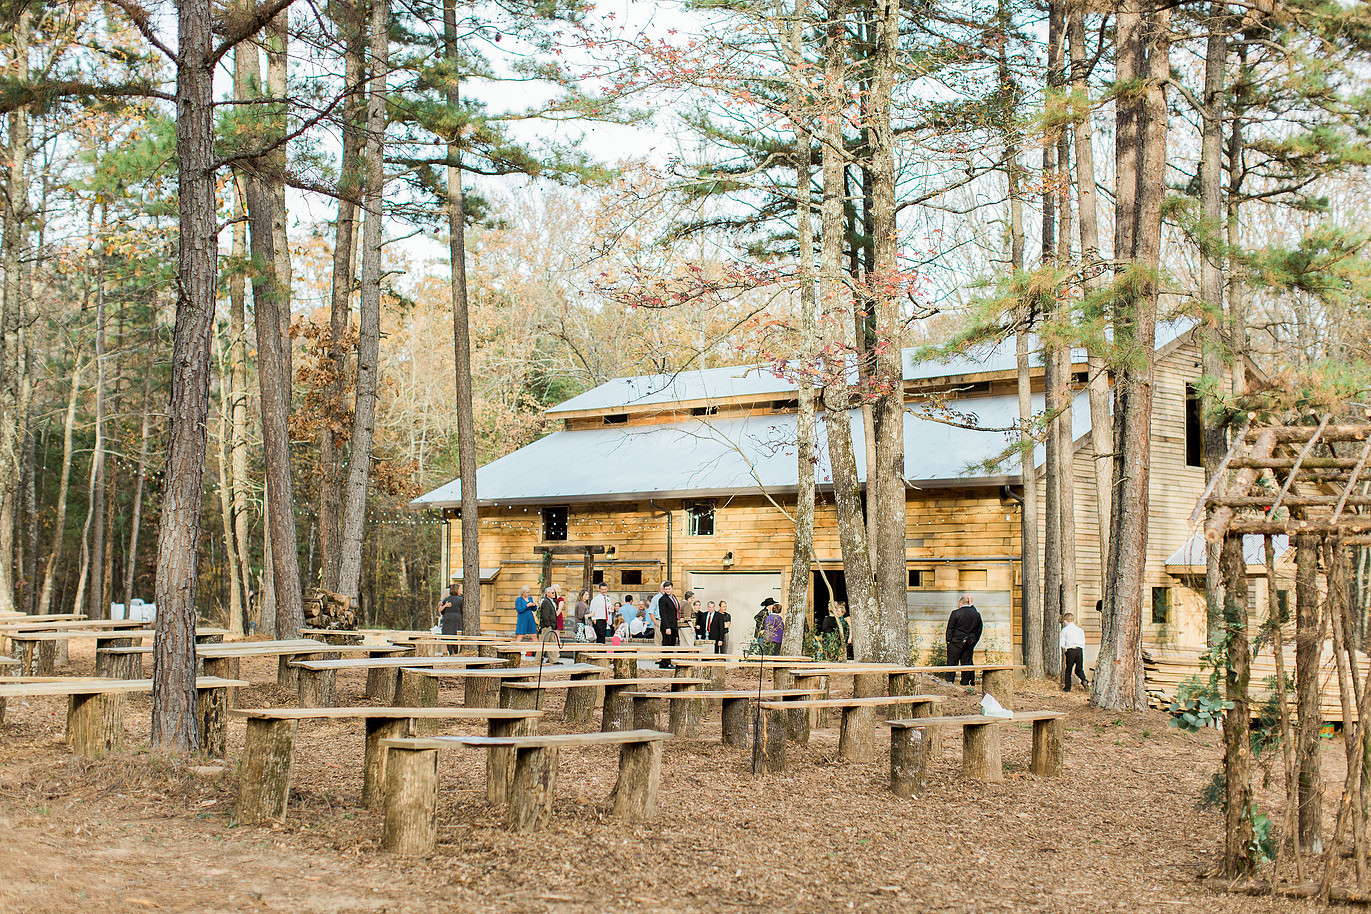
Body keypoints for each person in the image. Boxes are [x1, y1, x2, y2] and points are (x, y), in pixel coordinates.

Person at [945, 593, 983, 686]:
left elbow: (950, 628)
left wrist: (949, 640)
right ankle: (965, 682)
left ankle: (950, 681)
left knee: (952, 662)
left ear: (961, 603)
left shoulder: (956, 613)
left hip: (955, 642)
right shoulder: (976, 614)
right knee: (966, 662)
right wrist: (974, 641)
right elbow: (979, 629)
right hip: (969, 642)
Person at [1060, 612, 1089, 692]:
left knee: (1068, 670)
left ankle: (1067, 688)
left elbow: (1062, 643)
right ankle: (1084, 680)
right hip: (1079, 650)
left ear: (1065, 621)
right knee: (1079, 669)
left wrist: (1065, 649)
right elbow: (1083, 641)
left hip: (1070, 650)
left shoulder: (1065, 630)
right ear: (1074, 620)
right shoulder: (1080, 630)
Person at [656, 581, 681, 668]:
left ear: (672, 588)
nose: (668, 591)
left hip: (673, 625)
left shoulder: (673, 597)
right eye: (666, 589)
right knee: (667, 645)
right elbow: (663, 614)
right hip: (667, 626)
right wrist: (667, 627)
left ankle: (668, 661)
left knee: (672, 645)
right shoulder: (663, 599)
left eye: (669, 589)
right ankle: (665, 663)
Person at [537, 585, 561, 663]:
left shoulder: (551, 601)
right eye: (552, 593)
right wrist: (548, 625)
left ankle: (554, 660)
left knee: (551, 643)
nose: (554, 594)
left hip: (551, 626)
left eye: (554, 593)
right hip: (547, 627)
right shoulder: (546, 602)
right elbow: (545, 615)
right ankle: (538, 660)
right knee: (543, 643)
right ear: (547, 594)